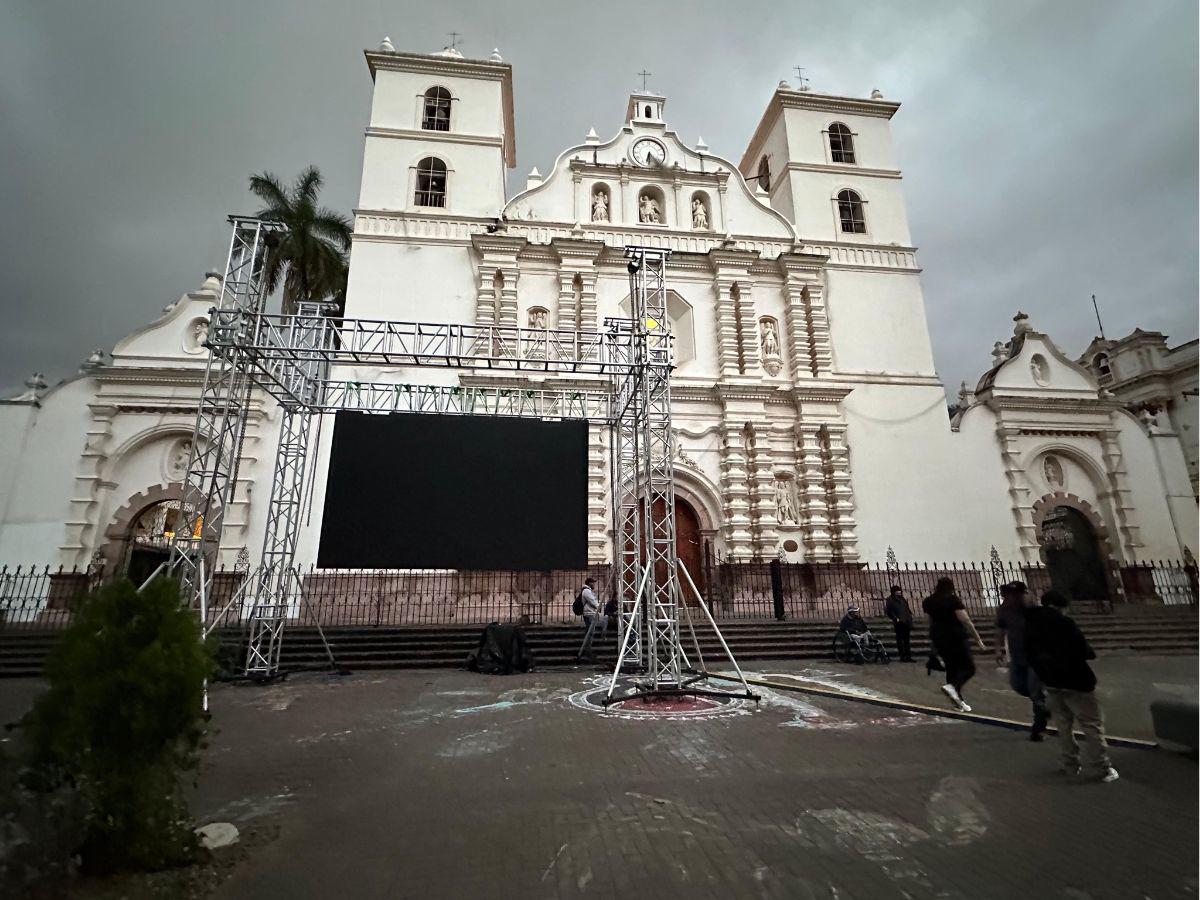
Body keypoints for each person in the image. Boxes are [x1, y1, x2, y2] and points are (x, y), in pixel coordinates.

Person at [1025, 590, 1119, 782]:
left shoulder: (1030, 624)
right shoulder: (1064, 623)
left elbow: (1029, 654)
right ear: (1062, 607)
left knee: (1063, 725)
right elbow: (1082, 650)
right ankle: (1102, 767)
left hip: (1051, 681)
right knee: (1092, 724)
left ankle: (1070, 764)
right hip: (1076, 681)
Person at [995, 581, 1050, 740]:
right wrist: (998, 649)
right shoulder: (1005, 610)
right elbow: (999, 629)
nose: (1014, 598)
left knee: (1034, 691)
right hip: (1017, 655)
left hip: (1036, 656)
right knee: (1018, 685)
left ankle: (1038, 729)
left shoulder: (1034, 611)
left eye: (1017, 594)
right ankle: (1046, 703)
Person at [922, 577, 986, 712]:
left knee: (951, 668)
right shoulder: (952, 599)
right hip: (955, 636)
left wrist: (933, 639)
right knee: (969, 667)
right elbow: (965, 620)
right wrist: (978, 639)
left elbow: (929, 621)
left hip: (939, 637)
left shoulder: (928, 601)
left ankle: (959, 702)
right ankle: (953, 687)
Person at [884, 585, 915, 662]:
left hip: (906, 621)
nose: (899, 592)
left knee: (906, 641)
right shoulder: (890, 600)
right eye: (897, 591)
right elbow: (889, 611)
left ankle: (908, 656)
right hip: (899, 622)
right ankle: (902, 657)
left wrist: (909, 618)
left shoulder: (902, 599)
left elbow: (907, 609)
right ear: (894, 592)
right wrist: (895, 618)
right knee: (900, 640)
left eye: (899, 591)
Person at [575, 577, 600, 662]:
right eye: (593, 583)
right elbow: (593, 602)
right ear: (589, 583)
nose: (594, 584)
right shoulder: (586, 591)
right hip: (589, 614)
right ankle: (588, 650)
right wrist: (598, 606)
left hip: (591, 613)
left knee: (590, 632)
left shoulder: (588, 591)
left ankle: (588, 649)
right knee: (590, 632)